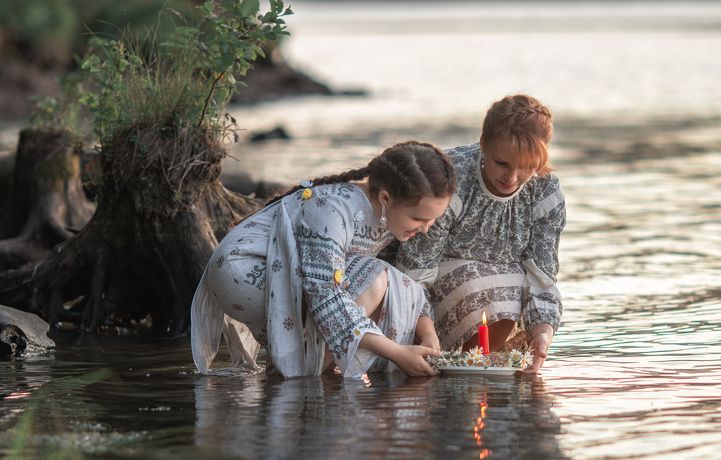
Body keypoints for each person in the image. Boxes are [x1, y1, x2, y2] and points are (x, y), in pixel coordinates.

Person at [191, 141, 456, 378]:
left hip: (254, 274)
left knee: (383, 280)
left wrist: (428, 333)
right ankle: (308, 371)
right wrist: (396, 353)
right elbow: (327, 296)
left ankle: (312, 368)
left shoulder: (392, 217)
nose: (426, 229)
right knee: (374, 277)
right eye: (419, 219)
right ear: (386, 198)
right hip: (245, 268)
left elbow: (404, 281)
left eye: (432, 219)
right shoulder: (335, 210)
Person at [395, 95, 566, 372]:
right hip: (438, 281)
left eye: (527, 167)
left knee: (516, 287)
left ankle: (484, 375)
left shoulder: (546, 193)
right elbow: (416, 269)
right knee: (479, 285)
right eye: (502, 163)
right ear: (483, 143)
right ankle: (457, 371)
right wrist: (423, 331)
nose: (512, 178)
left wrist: (543, 333)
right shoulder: (450, 179)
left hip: (508, 291)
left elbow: (542, 275)